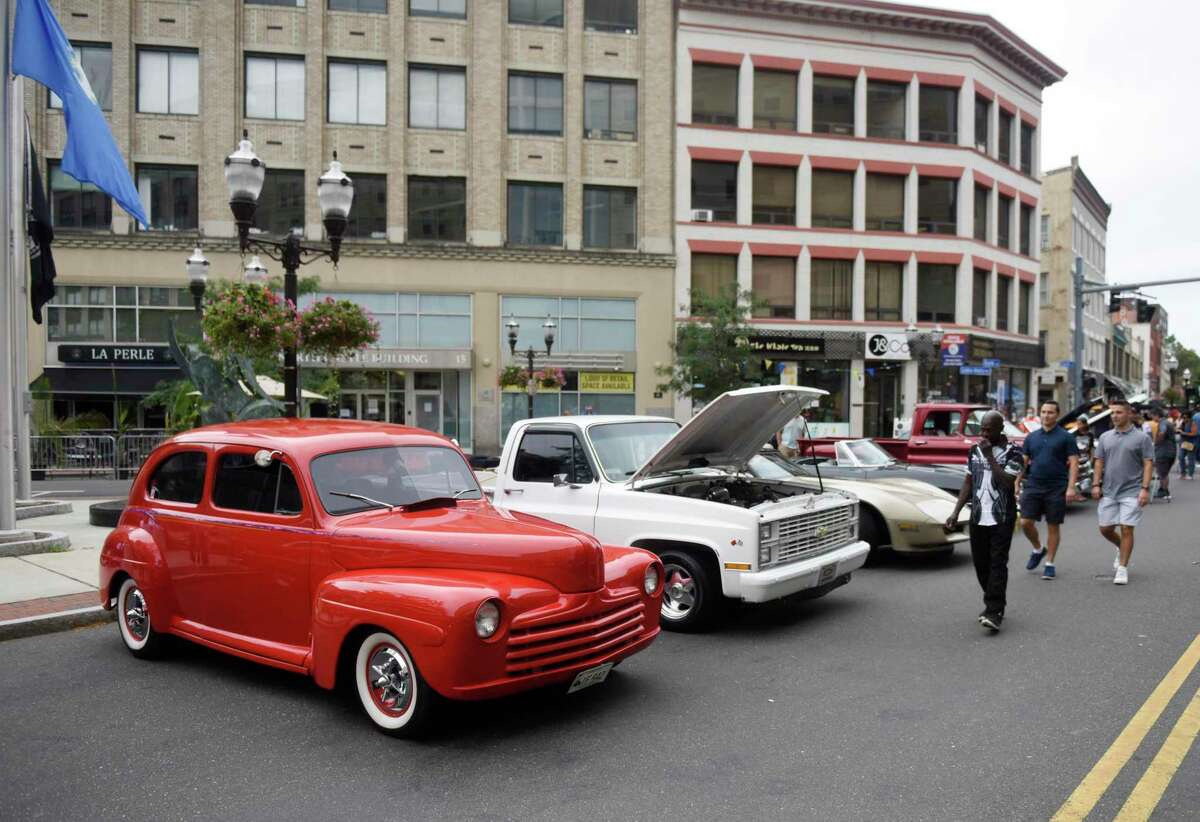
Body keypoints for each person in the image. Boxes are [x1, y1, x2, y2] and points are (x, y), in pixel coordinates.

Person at [945, 410, 1025, 631]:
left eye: (989, 430)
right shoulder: (974, 450)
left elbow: (1007, 483)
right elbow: (968, 482)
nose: (984, 434)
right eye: (982, 429)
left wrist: (990, 456)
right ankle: (995, 603)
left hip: (1002, 516)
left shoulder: (1014, 452)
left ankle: (993, 611)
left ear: (1001, 429)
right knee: (981, 564)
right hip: (978, 516)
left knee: (998, 563)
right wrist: (956, 512)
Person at [1092, 399, 1155, 585]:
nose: (1115, 416)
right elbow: (1099, 461)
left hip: (1132, 490)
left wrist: (1145, 489)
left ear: (1129, 414)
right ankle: (1121, 547)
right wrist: (1095, 484)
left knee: (1126, 528)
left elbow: (1148, 463)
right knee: (1105, 529)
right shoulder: (1105, 437)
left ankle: (1122, 568)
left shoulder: (1142, 438)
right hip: (1109, 490)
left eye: (1119, 412)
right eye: (1112, 413)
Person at [1020, 401, 1080, 580]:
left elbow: (1074, 463)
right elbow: (1023, 462)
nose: (1046, 415)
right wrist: (1015, 481)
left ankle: (1049, 563)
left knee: (1053, 525)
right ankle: (1038, 549)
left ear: (1057, 414)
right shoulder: (1031, 437)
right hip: (1033, 484)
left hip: (1057, 486)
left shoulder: (1066, 437)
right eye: (1044, 412)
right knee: (1025, 522)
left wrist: (1071, 487)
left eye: (1050, 412)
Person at [1150, 408, 1176, 500]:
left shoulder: (1162, 423)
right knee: (1164, 472)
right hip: (1171, 451)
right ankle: (1162, 490)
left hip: (1163, 452)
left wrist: (1156, 442)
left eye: (1152, 416)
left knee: (1162, 474)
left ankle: (1165, 492)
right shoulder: (1168, 422)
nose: (1152, 418)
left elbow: (1162, 432)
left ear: (1156, 415)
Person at [1182, 406, 1199, 481]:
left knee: (1190, 458)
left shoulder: (1193, 421)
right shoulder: (1185, 422)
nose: (1184, 419)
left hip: (1191, 442)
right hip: (1188, 441)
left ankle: (1189, 474)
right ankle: (1185, 473)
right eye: (1183, 417)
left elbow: (1194, 433)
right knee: (1182, 457)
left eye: (1185, 417)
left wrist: (1183, 433)